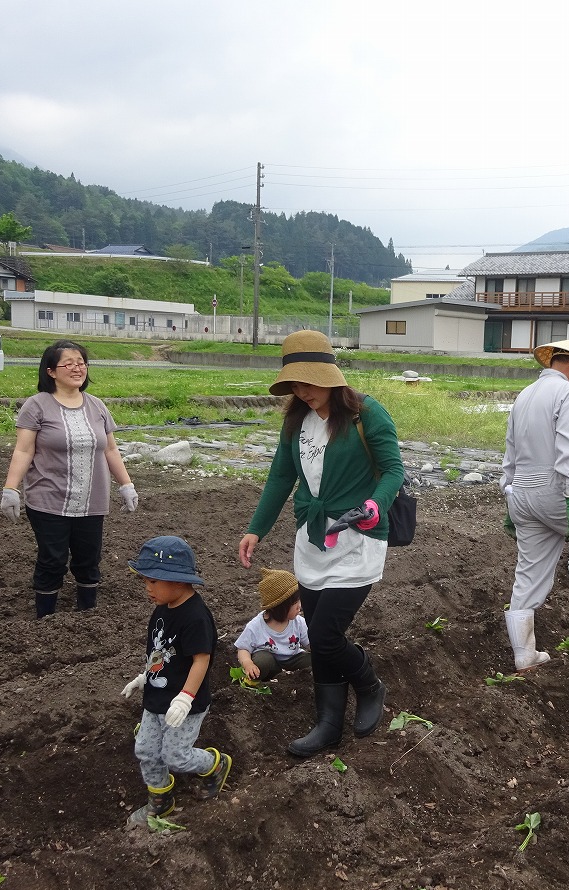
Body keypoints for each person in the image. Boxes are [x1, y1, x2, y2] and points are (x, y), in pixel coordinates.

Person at [238, 330, 404, 758]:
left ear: (330, 376)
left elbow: (393, 471)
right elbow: (281, 476)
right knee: (319, 634)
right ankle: (328, 723)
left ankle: (369, 684)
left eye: (309, 382)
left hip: (357, 538)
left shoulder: (367, 414)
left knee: (327, 636)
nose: (303, 392)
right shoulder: (297, 421)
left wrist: (375, 503)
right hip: (312, 540)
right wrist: (257, 528)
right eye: (295, 384)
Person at [0, 340, 139, 618]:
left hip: (91, 500)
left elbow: (110, 450)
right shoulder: (36, 406)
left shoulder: (97, 406)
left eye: (81, 363)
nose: (77, 368)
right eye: (69, 364)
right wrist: (10, 488)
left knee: (89, 559)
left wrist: (126, 484)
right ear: (51, 371)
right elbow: (24, 450)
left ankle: (87, 615)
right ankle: (46, 618)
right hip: (48, 499)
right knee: (52, 560)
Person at [500, 337, 569, 670]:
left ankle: (524, 655)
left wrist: (509, 499)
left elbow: (510, 451)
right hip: (554, 491)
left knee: (529, 573)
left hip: (521, 494)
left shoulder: (524, 395)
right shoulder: (568, 392)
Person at [121, 536, 231, 824]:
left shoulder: (195, 617)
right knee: (146, 750)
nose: (147, 587)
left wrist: (185, 698)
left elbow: (201, 660)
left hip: (184, 703)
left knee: (175, 756)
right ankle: (161, 800)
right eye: (145, 580)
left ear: (178, 581)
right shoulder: (162, 609)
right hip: (156, 697)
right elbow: (159, 651)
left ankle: (215, 764)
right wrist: (145, 677)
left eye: (153, 581)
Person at [234, 568, 312, 688]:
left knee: (315, 661)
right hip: (270, 664)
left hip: (293, 660)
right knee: (262, 662)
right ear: (280, 606)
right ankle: (253, 683)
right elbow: (243, 648)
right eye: (295, 603)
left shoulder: (298, 622)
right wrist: (248, 664)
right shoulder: (256, 626)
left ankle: (298, 679)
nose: (299, 606)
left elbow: (311, 643)